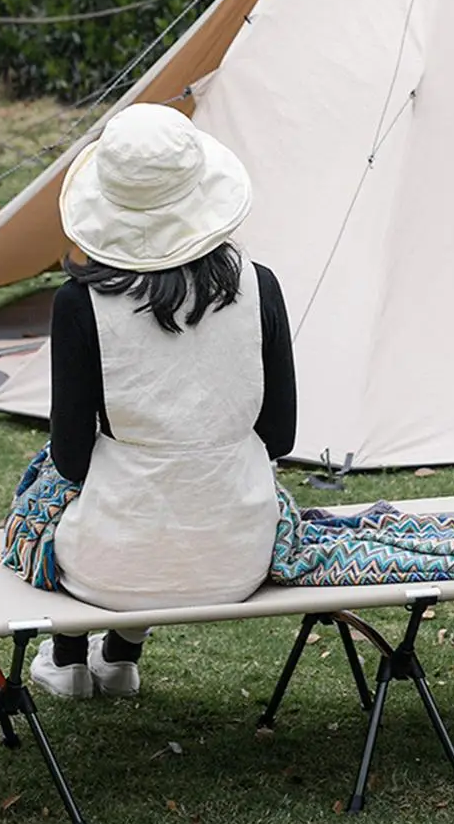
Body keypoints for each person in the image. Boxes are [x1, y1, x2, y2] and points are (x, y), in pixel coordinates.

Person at [28, 103, 296, 700]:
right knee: (179, 482)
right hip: (238, 556)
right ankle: (121, 656)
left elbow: (70, 457)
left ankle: (68, 658)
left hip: (111, 568)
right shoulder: (262, 287)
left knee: (49, 488)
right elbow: (280, 437)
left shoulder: (78, 304)